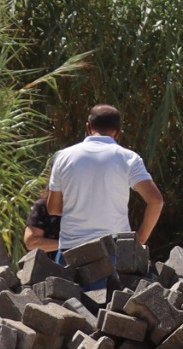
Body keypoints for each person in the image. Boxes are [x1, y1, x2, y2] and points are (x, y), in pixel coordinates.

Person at [44, 104, 163, 262]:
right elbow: (156, 200)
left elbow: (53, 208)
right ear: (118, 132)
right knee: (114, 288)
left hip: (71, 249)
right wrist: (140, 239)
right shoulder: (128, 158)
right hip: (113, 250)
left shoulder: (63, 157)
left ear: (88, 127)